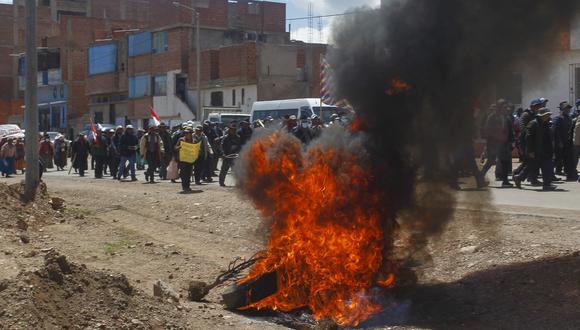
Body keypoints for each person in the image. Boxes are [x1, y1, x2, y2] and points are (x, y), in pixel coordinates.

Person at [514, 108, 557, 191]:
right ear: (542, 115)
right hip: (535, 150)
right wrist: (530, 151)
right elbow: (528, 138)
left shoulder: (545, 123)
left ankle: (547, 184)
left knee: (546, 166)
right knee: (531, 166)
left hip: (543, 150)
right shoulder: (533, 123)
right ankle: (519, 177)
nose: (548, 116)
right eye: (546, 115)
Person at [480, 103, 514, 188]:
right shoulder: (492, 117)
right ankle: (480, 177)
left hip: (504, 143)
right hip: (493, 143)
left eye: (506, 107)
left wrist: (511, 141)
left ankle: (505, 181)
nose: (506, 109)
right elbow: (487, 129)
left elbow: (510, 130)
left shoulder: (507, 117)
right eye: (504, 107)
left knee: (505, 161)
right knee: (490, 162)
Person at [553, 101, 577, 181]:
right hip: (560, 143)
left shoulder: (569, 118)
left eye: (569, 108)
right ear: (562, 109)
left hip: (568, 142)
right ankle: (551, 174)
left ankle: (569, 174)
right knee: (557, 159)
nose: (568, 110)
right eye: (566, 108)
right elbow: (556, 131)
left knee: (568, 159)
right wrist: (559, 142)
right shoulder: (558, 118)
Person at [175, 127, 195, 192]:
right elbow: (175, 147)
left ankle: (188, 186)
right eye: (186, 133)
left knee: (189, 173)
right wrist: (180, 147)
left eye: (188, 133)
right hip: (182, 159)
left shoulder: (194, 141)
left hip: (190, 159)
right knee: (183, 173)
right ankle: (184, 186)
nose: (187, 134)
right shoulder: (181, 140)